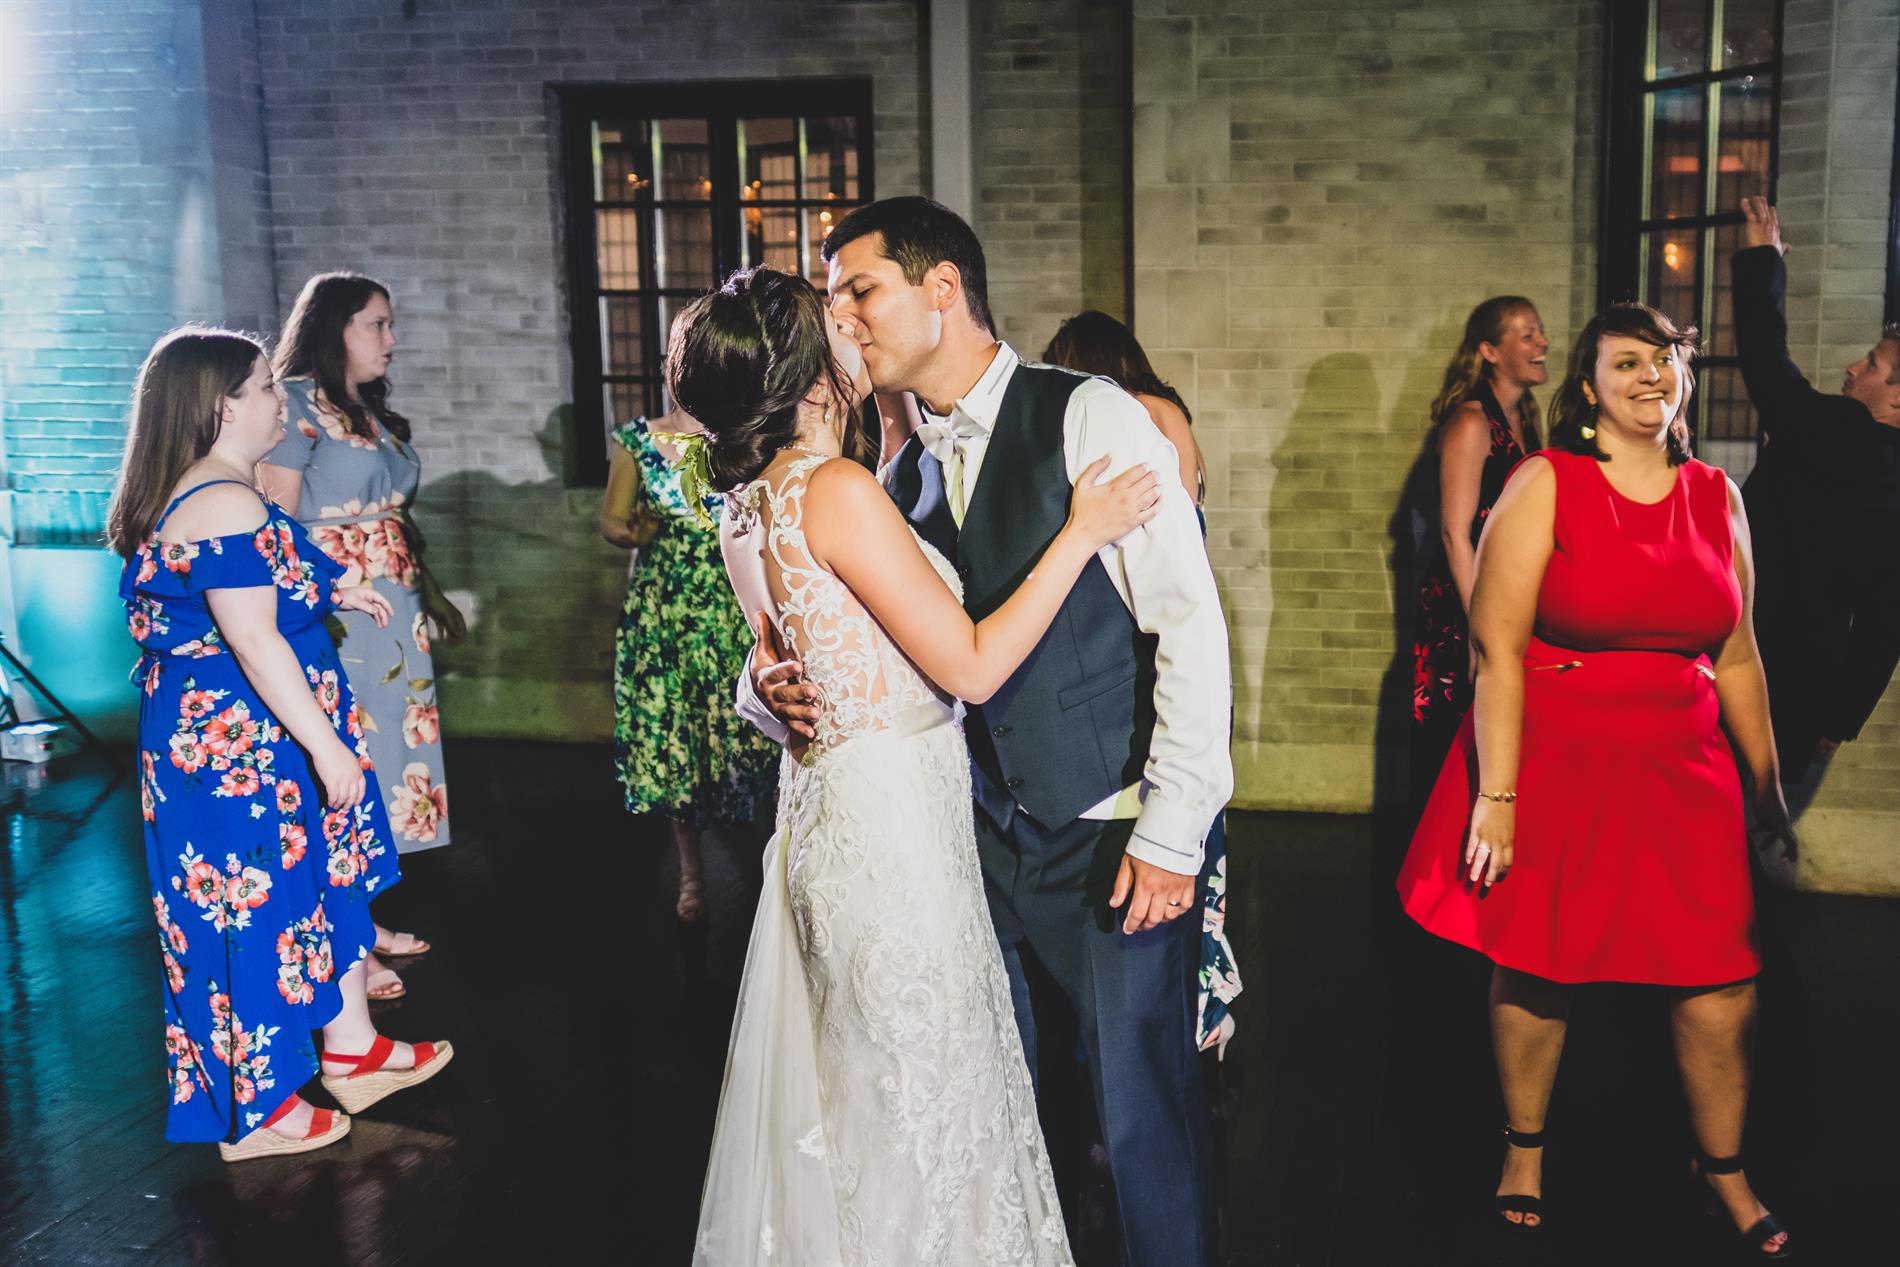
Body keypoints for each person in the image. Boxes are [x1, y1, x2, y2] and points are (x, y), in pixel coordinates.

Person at [742, 197, 1234, 1267]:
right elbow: (861, 635)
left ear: (942, 289)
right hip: (965, 842)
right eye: (831, 300)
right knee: (1013, 1113)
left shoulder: (1090, 415)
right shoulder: (894, 470)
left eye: (858, 291)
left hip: (1106, 829)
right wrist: (764, 682)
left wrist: (1173, 831)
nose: (841, 320)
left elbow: (1190, 624)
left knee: (1143, 1118)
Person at [1395, 304, 1796, 1259]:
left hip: (1684, 768)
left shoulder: (1717, 496)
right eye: (1626, 362)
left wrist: (1768, 786)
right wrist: (1497, 797)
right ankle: (1524, 1149)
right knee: (1542, 962)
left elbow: (1739, 655)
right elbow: (1497, 650)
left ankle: (1725, 1169)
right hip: (1560, 760)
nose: (1651, 375)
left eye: (1664, 360)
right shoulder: (1546, 480)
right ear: (1589, 389)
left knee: (1719, 980)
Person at [110, 328, 452, 1162]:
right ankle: (255, 1112)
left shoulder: (230, 489)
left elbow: (263, 578)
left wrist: (338, 589)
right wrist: (329, 748)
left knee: (315, 886)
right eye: (265, 387)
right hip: (234, 746)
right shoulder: (221, 500)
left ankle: (352, 1049)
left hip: (261, 735)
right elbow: (253, 637)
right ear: (221, 406)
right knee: (247, 911)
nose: (281, 401)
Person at [1040, 308, 1239, 1055]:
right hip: (1185, 628)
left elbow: (1160, 540)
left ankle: (1184, 1007)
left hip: (1157, 637)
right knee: (1202, 832)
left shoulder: (1132, 414)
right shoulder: (1171, 409)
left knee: (1173, 810)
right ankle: (1203, 1001)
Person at [257, 273, 441, 1001]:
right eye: (377, 324)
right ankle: (345, 945)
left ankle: (360, 920)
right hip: (340, 608)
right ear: (335, 327)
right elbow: (276, 525)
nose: (391, 339)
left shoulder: (361, 406)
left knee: (387, 760)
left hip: (392, 609)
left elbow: (393, 507)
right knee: (346, 760)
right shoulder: (295, 404)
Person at [597, 326, 777, 921]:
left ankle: (770, 871)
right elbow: (612, 520)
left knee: (749, 736)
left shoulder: (742, 437)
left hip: (734, 604)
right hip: (666, 610)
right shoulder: (638, 440)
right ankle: (692, 872)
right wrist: (639, 532)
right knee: (679, 742)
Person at [1733, 196, 1900, 782]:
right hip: (1806, 693)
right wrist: (1842, 716)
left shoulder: (1842, 431)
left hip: (1745, 662)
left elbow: (1766, 364)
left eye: (1872, 364)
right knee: (1762, 818)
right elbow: (1886, 619)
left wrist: (1763, 263)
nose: (1853, 368)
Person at [1410, 297, 1547, 806]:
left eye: (1540, 332)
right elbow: (1454, 533)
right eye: (1528, 334)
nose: (1543, 343)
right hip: (1463, 605)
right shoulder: (1471, 421)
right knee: (1459, 746)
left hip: (1508, 597)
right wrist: (1479, 628)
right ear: (1490, 351)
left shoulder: (1525, 417)